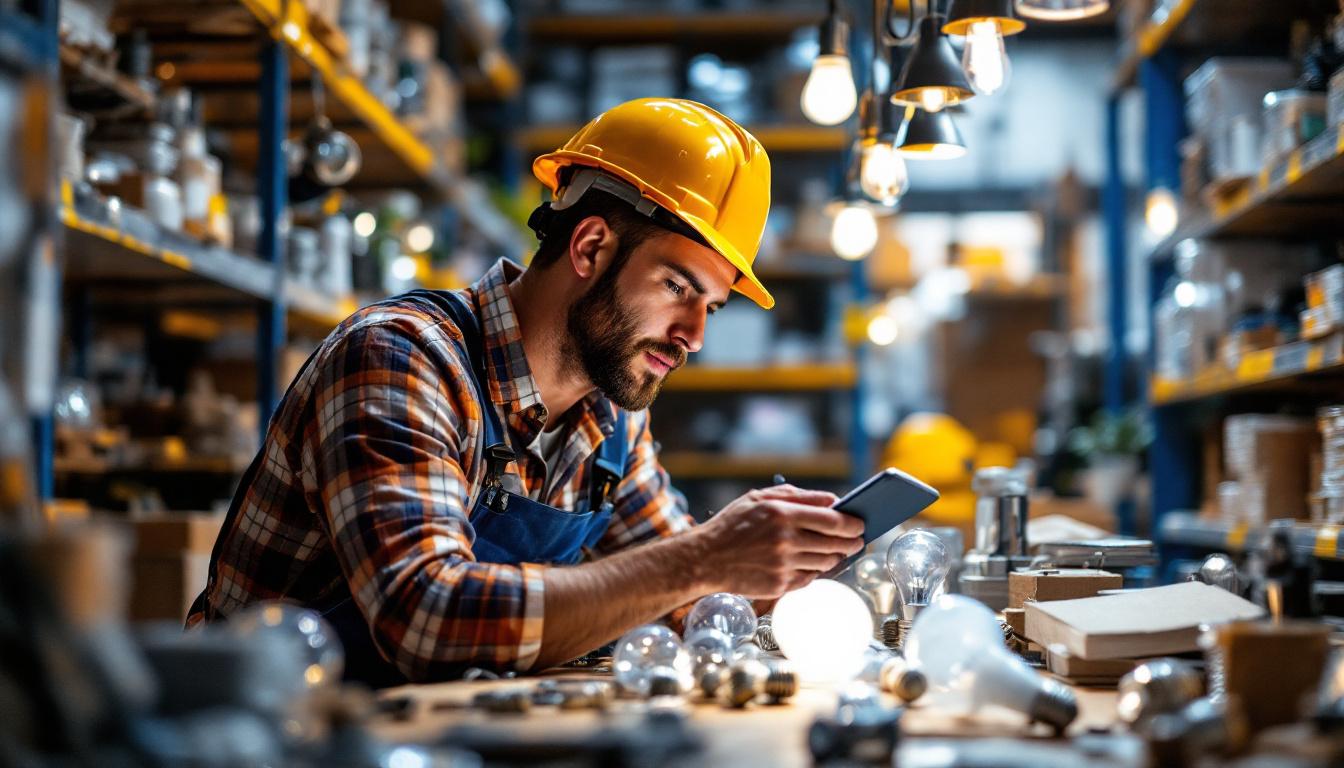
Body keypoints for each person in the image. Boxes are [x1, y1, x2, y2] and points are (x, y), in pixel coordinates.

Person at [187, 98, 864, 686]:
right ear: (591, 247)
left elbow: (684, 598)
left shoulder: (608, 421)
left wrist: (776, 568)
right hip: (259, 736)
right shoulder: (401, 358)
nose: (692, 336)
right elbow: (426, 619)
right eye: (677, 288)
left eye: (709, 308)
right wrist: (707, 557)